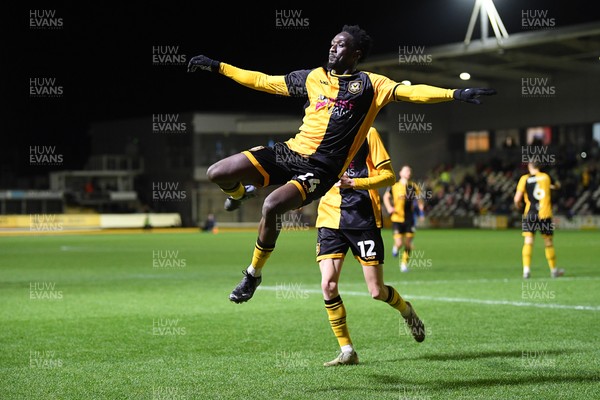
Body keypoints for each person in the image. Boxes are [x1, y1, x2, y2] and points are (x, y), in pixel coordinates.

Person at [187, 24, 496, 303]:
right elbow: (263, 81)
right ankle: (240, 194)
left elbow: (412, 91)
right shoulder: (312, 77)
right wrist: (219, 67)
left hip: (321, 168)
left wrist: (455, 93)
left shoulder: (371, 85)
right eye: (332, 43)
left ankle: (252, 275)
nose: (333, 48)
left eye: (341, 45)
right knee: (218, 172)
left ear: (356, 53)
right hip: (289, 152)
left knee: (271, 206)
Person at [316, 127, 425, 367]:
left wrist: (353, 182)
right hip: (329, 218)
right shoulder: (321, 132)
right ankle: (347, 350)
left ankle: (407, 311)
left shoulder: (368, 133)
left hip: (362, 218)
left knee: (376, 291)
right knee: (328, 284)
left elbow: (388, 177)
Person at [514, 161, 564, 279]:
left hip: (530, 214)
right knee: (548, 242)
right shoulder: (546, 177)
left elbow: (517, 199)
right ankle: (553, 270)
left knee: (528, 241)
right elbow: (557, 186)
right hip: (544, 215)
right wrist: (551, 186)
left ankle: (526, 271)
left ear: (529, 166)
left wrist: (518, 206)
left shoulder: (524, 179)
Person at [383, 166, 425, 272]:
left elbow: (420, 200)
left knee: (408, 243)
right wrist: (389, 207)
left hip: (410, 219)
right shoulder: (394, 186)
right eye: (406, 170)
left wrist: (421, 212)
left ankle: (404, 264)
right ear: (400, 173)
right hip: (397, 218)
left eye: (410, 171)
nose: (408, 172)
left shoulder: (414, 186)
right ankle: (396, 248)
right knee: (399, 243)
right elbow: (386, 197)